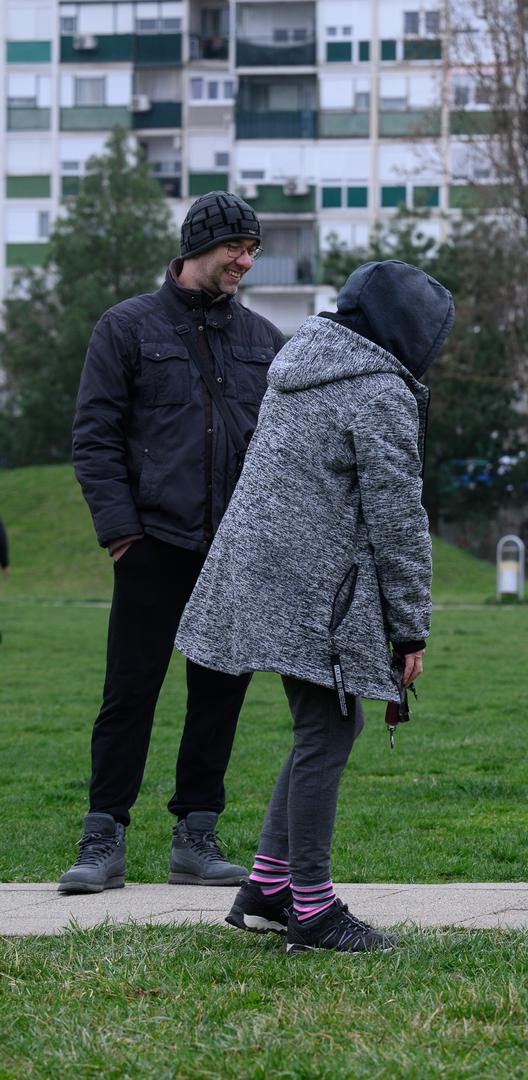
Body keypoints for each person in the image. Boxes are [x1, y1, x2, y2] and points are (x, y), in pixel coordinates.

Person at [176, 260, 452, 953]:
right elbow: (397, 517)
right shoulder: (377, 389)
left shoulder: (301, 364)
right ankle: (313, 909)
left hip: (258, 570)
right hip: (313, 584)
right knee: (328, 732)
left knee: (322, 728)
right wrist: (409, 627)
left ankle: (269, 887)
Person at [64, 191, 285, 894]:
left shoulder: (264, 341)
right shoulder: (125, 328)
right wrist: (123, 534)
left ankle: (196, 835)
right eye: (234, 249)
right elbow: (93, 438)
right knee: (129, 691)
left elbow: (281, 450)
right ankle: (103, 839)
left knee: (218, 695)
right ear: (197, 246)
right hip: (152, 540)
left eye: (252, 251)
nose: (245, 262)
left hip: (234, 551)